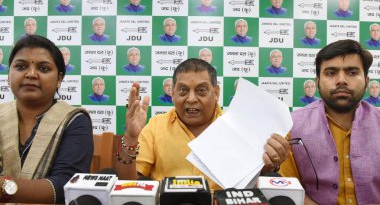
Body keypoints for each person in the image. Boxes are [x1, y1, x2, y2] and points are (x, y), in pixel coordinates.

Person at [115, 58, 290, 191]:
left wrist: (269, 166)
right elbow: (128, 186)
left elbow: (258, 188)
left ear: (216, 93)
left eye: (201, 91)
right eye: (183, 90)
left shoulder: (240, 127)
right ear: (173, 93)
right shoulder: (155, 126)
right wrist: (131, 137)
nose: (191, 99)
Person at [279, 39, 380, 204]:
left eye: (352, 72)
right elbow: (286, 186)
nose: (341, 80)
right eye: (331, 73)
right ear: (317, 82)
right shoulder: (291, 125)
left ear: (367, 81)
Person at [0, 35, 93, 204]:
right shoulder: (1, 115)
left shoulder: (74, 121)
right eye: (21, 66)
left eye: (43, 69)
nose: (31, 74)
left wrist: (4, 188)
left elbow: (65, 185)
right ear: (9, 75)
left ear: (59, 79)